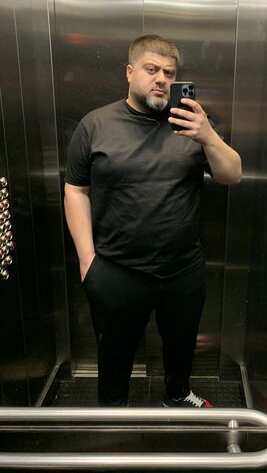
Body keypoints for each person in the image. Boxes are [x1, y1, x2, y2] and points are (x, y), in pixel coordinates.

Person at [64, 34, 242, 408]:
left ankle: (177, 395)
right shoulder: (95, 124)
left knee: (181, 345)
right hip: (117, 270)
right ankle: (113, 413)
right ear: (130, 72)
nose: (161, 78)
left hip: (183, 269)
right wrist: (86, 260)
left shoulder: (194, 124)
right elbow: (76, 189)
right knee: (114, 354)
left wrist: (208, 136)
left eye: (169, 72)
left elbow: (232, 174)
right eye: (151, 69)